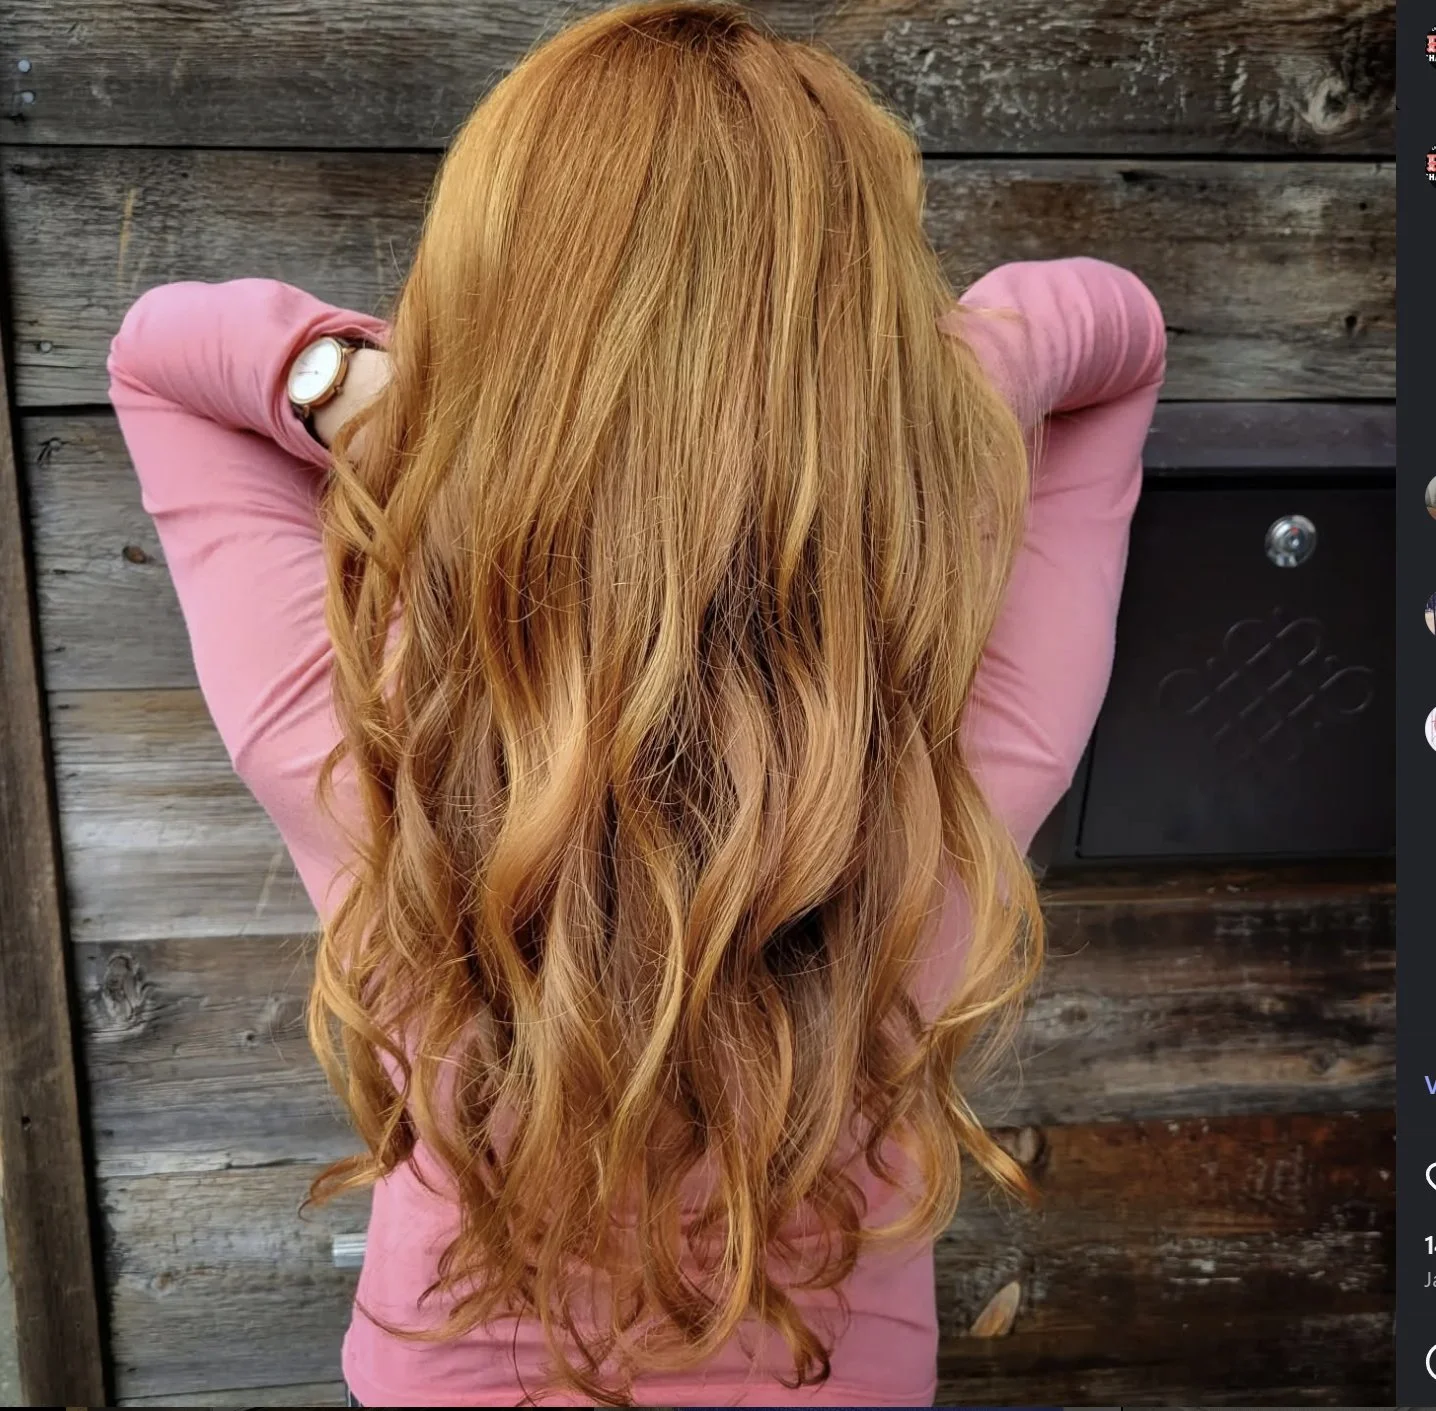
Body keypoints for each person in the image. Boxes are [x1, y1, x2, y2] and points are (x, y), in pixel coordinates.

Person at [105, 2, 1166, 1405]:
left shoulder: (367, 730)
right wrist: (927, 393)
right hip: (833, 1374)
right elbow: (1119, 330)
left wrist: (367, 393)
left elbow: (160, 349)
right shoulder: (957, 750)